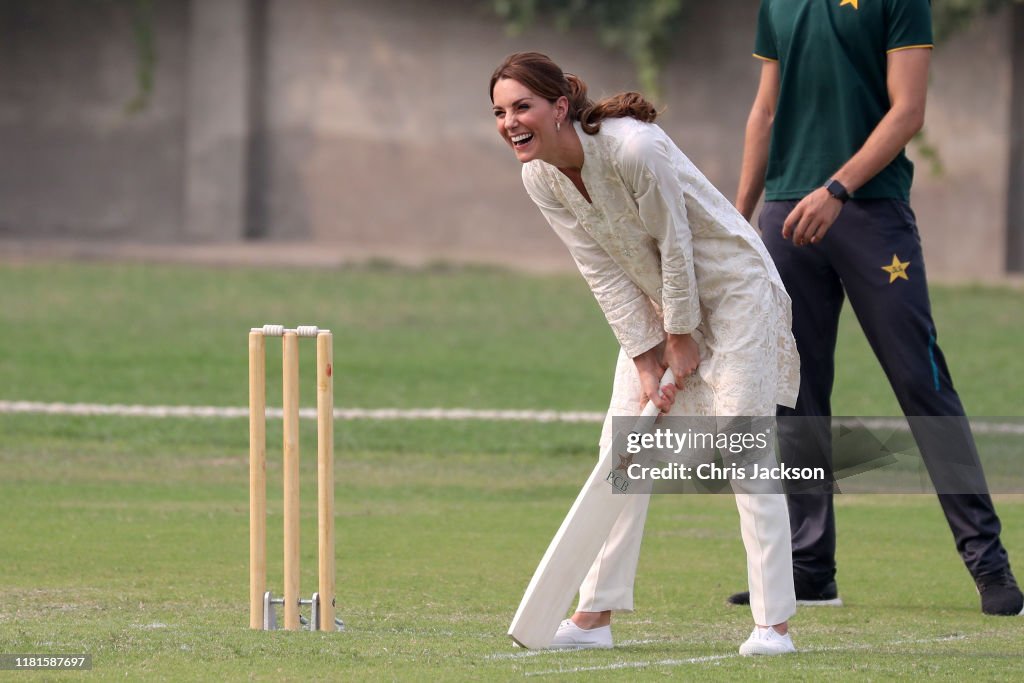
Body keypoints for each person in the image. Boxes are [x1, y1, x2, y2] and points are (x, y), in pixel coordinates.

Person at [489, 51, 804, 656]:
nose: (510, 122)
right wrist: (645, 354)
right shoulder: (540, 177)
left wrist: (683, 336)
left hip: (735, 291)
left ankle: (773, 625)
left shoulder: (634, 148)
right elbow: (600, 270)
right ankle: (593, 618)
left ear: (559, 108)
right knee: (623, 447)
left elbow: (675, 240)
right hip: (658, 302)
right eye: (500, 112)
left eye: (522, 107)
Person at [728, 0, 1023, 616]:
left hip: (870, 216)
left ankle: (989, 566)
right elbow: (762, 110)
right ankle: (809, 569)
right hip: (784, 216)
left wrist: (838, 188)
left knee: (922, 383)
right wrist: (739, 218)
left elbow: (907, 110)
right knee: (795, 394)